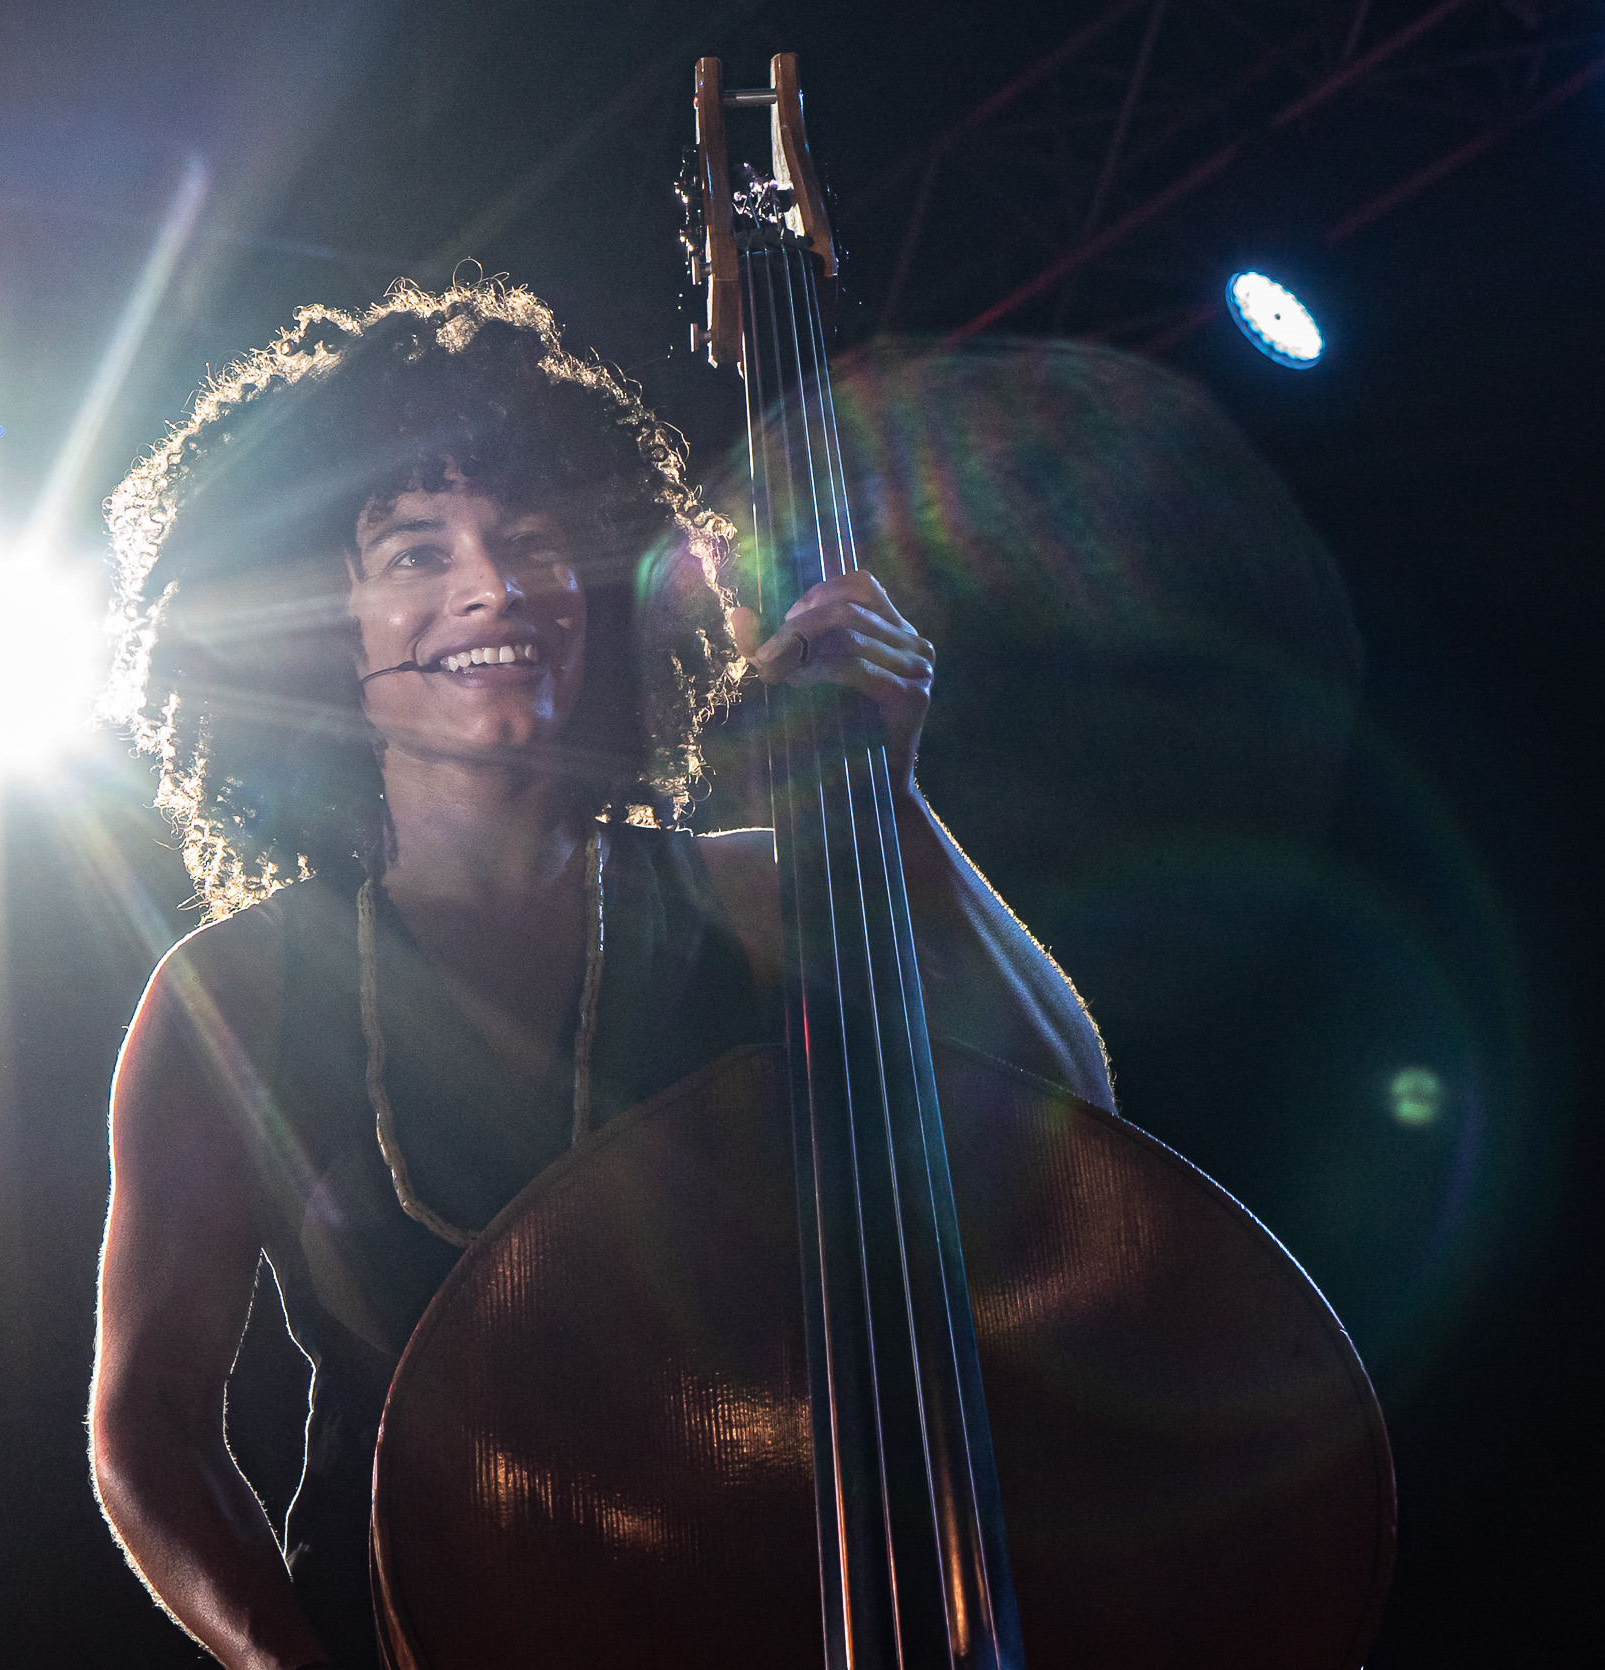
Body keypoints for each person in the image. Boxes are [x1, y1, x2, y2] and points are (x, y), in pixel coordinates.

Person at [88, 282, 1112, 1670]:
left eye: (528, 538)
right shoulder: (233, 992)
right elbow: (144, 1425)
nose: (492, 588)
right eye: (411, 551)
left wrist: (892, 799)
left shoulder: (756, 889)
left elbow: (1070, 1111)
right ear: (323, 634)